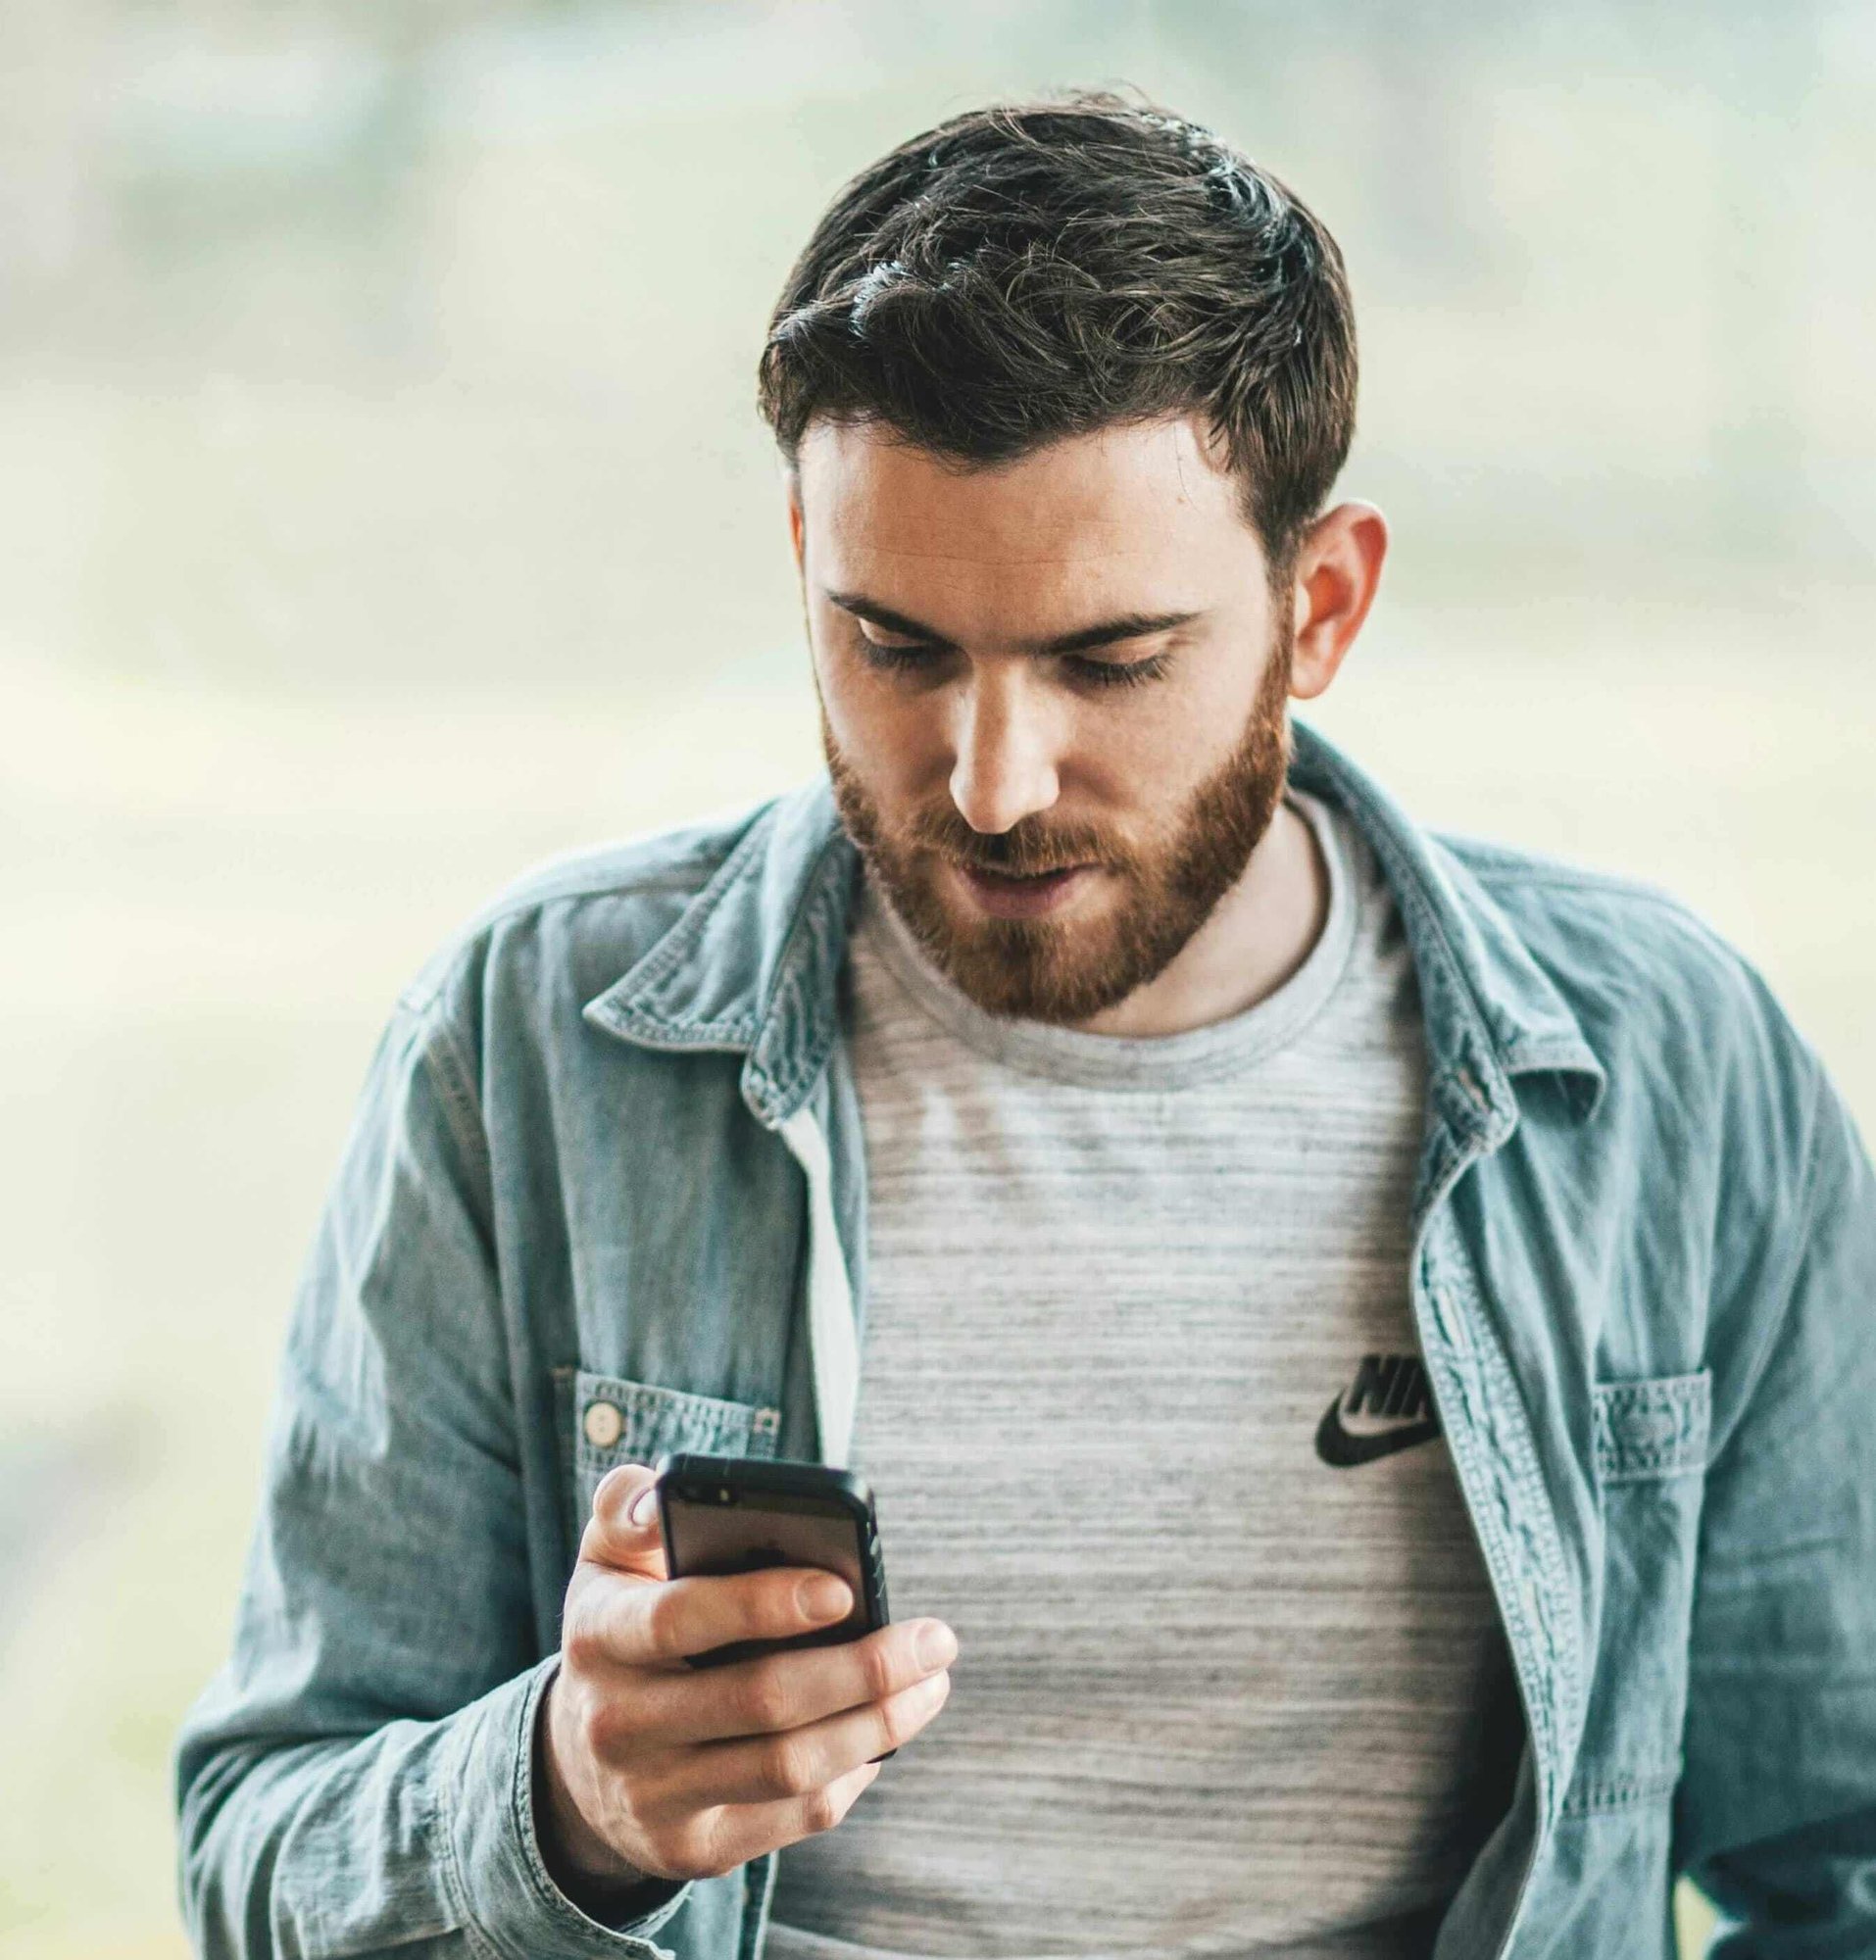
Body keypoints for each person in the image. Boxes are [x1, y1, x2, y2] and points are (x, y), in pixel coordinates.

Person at [174, 89, 1876, 1960]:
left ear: (1318, 606)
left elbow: (1844, 1855)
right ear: (802, 562)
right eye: (893, 645)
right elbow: (263, 1849)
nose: (988, 784)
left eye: (1107, 660)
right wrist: (568, 1805)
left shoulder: (1669, 1074)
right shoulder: (533, 1044)